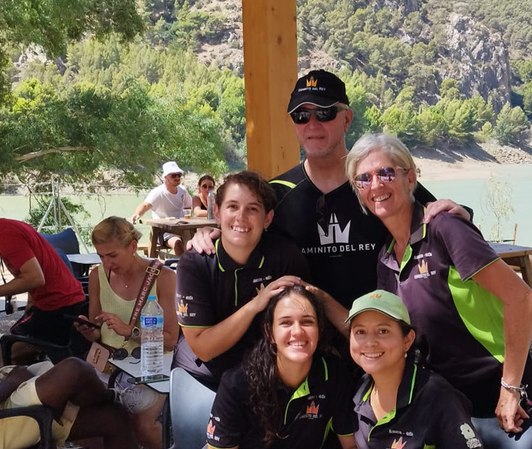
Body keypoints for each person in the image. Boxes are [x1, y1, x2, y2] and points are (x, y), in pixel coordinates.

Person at [188, 70, 469, 310]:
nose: (312, 124)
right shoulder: (276, 193)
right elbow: (241, 236)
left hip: (379, 340)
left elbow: (441, 221)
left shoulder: (376, 184)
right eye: (301, 116)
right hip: (304, 343)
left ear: (347, 119)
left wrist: (459, 213)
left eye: (324, 113)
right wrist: (209, 234)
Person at [344, 133, 532, 433]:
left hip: (493, 389)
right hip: (441, 399)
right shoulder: (385, 257)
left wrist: (510, 388)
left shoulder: (444, 228)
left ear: (410, 178)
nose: (376, 185)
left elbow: (520, 297)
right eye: (364, 179)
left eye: (385, 172)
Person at [167, 286, 360, 449]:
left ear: (319, 329)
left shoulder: (333, 376)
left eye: (307, 322)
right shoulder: (239, 382)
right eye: (286, 323)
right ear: (270, 332)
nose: (297, 331)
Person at [347, 290, 507, 449]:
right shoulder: (361, 390)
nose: (370, 342)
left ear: (407, 340)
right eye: (360, 332)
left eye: (383, 331)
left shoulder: (436, 398)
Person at [174, 171, 310, 388]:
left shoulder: (284, 255)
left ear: (268, 218)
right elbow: (203, 347)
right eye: (232, 207)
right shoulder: (194, 263)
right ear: (217, 213)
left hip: (264, 375)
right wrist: (256, 305)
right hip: (202, 378)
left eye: (252, 209)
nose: (241, 217)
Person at [73, 217, 178, 449]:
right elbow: (98, 333)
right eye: (101, 256)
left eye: (112, 255)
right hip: (109, 363)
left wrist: (130, 331)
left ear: (132, 247)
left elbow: (171, 338)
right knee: (72, 417)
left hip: (151, 363)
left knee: (142, 426)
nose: (106, 263)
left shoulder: (164, 277)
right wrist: (89, 331)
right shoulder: (98, 275)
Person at [0, 354, 138, 449]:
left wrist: (4, 373)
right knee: (73, 369)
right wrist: (12, 381)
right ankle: (111, 395)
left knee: (114, 417)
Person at [0, 210, 87, 365]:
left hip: (58, 308)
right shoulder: (9, 226)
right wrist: (31, 303)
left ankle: (17, 387)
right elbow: (36, 269)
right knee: (13, 350)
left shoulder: (7, 235)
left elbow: (34, 278)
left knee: (5, 351)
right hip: (64, 303)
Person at [130, 161, 192, 255]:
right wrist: (137, 214)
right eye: (173, 175)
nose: (177, 178)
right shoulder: (158, 192)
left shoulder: (183, 191)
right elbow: (145, 205)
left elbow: (189, 207)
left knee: (199, 241)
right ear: (165, 177)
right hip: (164, 231)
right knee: (177, 243)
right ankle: (183, 268)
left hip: (182, 228)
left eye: (179, 175)